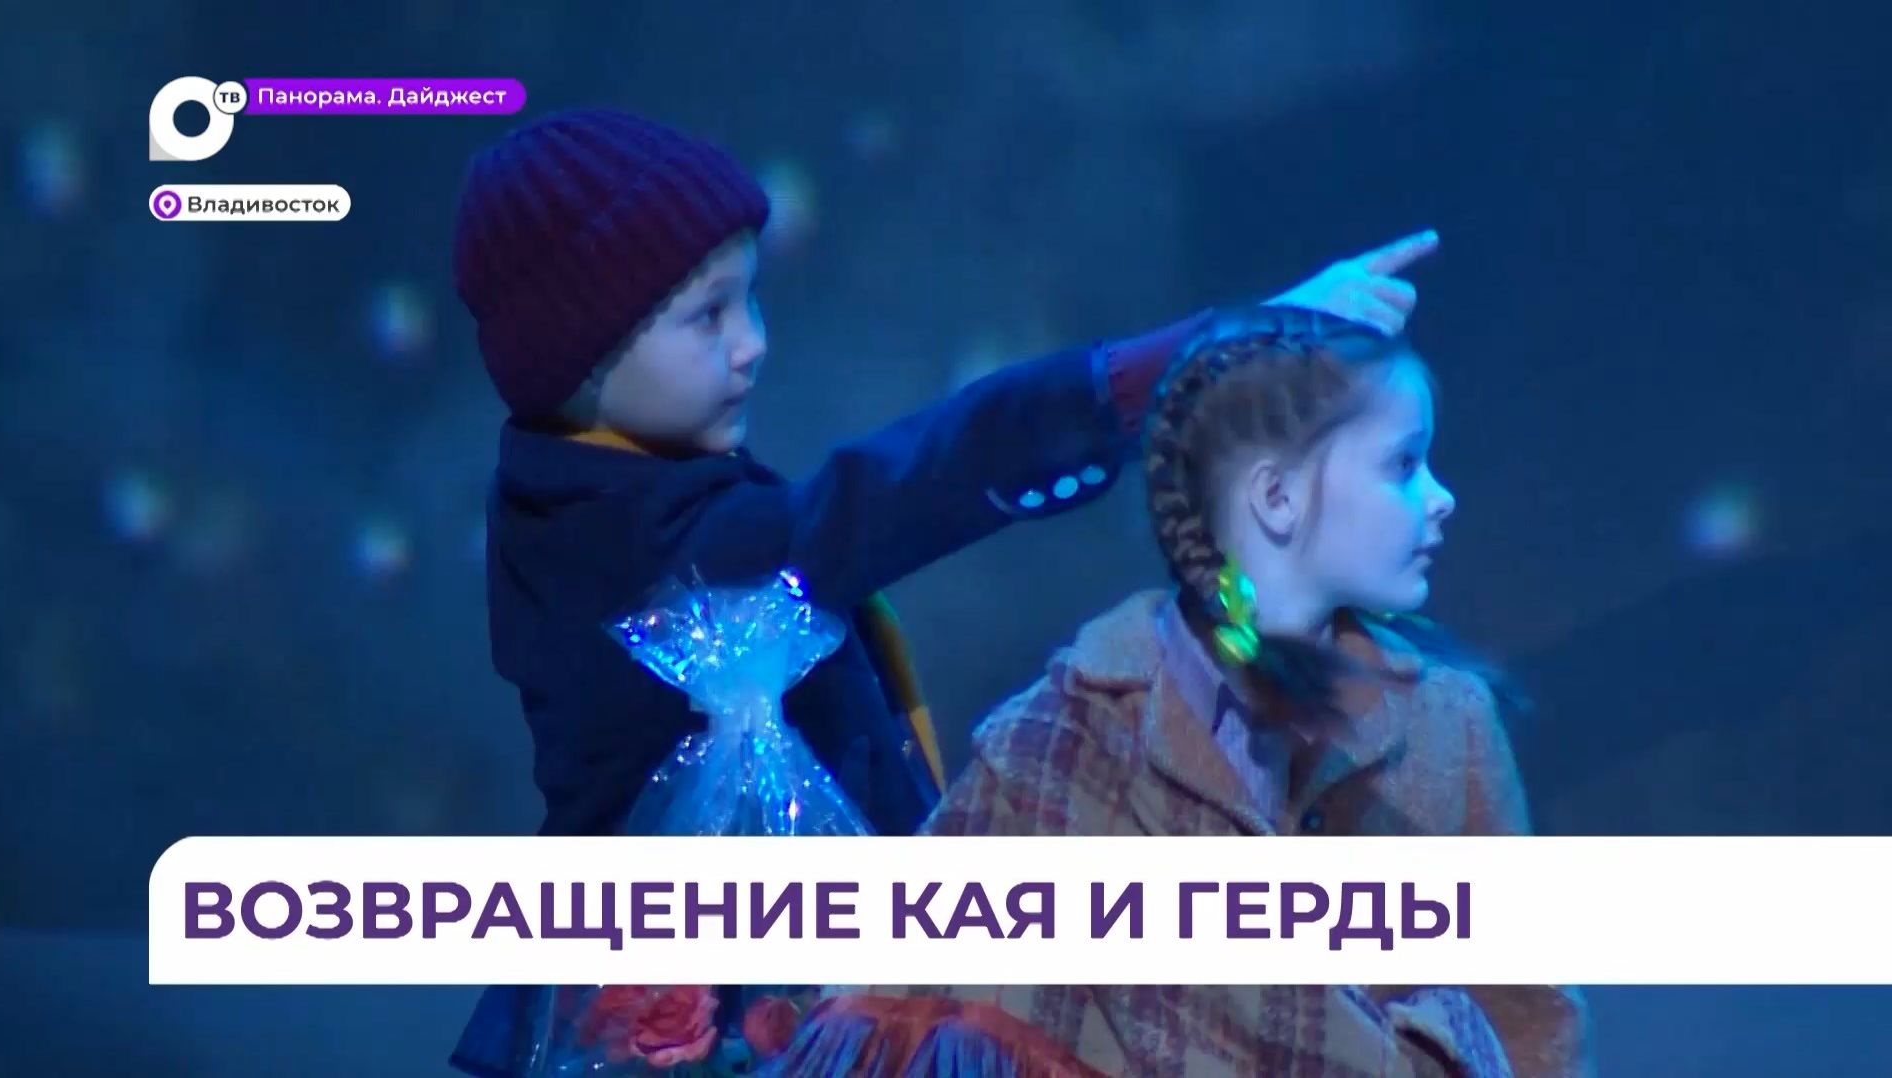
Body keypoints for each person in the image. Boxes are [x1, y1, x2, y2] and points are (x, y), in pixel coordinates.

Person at [446, 105, 1438, 1076]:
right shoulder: (627, 544)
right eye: (707, 315)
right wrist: (1208, 353)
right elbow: (908, 484)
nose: (751, 342)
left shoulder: (627, 493)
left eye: (749, 300)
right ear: (580, 354)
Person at [772, 309, 1594, 1077]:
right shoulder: (1065, 737)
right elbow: (902, 996)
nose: (1441, 498)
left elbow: (1529, 1019)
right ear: (1276, 498)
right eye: (1403, 466)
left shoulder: (1447, 725)